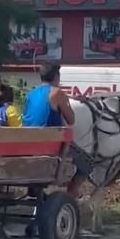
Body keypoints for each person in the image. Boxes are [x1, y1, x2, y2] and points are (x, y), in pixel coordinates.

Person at [22, 64, 92, 198]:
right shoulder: (57, 92)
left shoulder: (31, 94)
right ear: (56, 77)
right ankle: (72, 191)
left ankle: (37, 190)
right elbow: (71, 120)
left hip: (29, 142)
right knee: (88, 164)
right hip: (50, 143)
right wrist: (68, 101)